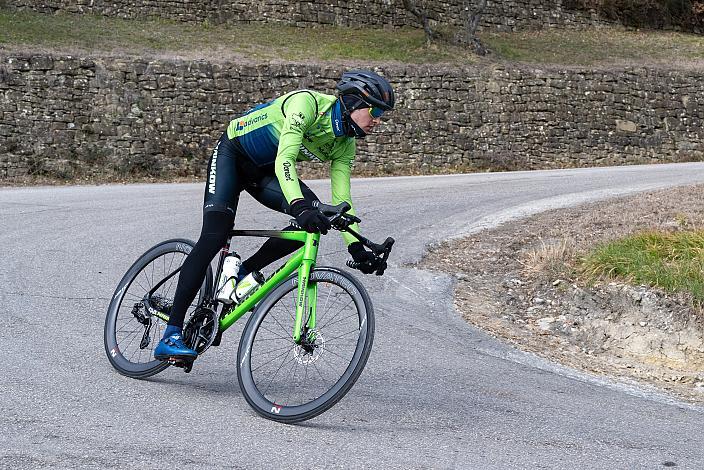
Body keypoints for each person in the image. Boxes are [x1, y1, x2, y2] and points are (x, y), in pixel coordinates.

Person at [154, 70, 395, 360]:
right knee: (214, 236)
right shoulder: (308, 105)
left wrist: (356, 247)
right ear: (354, 102)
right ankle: (171, 333)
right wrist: (298, 205)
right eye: (376, 111)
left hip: (264, 173)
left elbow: (342, 199)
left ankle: (244, 272)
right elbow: (286, 158)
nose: (378, 120)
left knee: (317, 220)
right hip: (234, 153)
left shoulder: (345, 143)